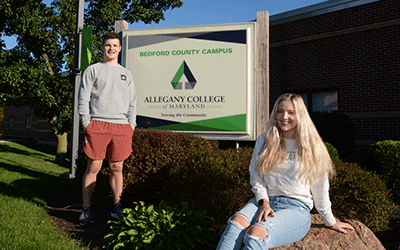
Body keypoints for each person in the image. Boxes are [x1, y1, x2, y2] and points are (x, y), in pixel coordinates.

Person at [217, 93, 354, 250]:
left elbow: (320, 189)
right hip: (264, 202)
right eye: (280, 111)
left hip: (296, 208)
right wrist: (264, 202)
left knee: (256, 233)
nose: (284, 116)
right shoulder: (265, 140)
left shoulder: (312, 146)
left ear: (300, 115)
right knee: (235, 224)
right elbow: (256, 175)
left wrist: (331, 221)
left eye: (291, 112)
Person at [77, 32, 137, 226]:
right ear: (102, 48)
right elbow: (83, 98)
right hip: (98, 125)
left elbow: (132, 103)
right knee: (93, 167)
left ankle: (117, 206)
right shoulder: (93, 70)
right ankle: (86, 209)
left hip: (121, 127)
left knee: (116, 167)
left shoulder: (126, 74)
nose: (111, 48)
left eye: (115, 45)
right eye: (108, 45)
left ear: (120, 49)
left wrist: (131, 126)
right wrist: (87, 123)